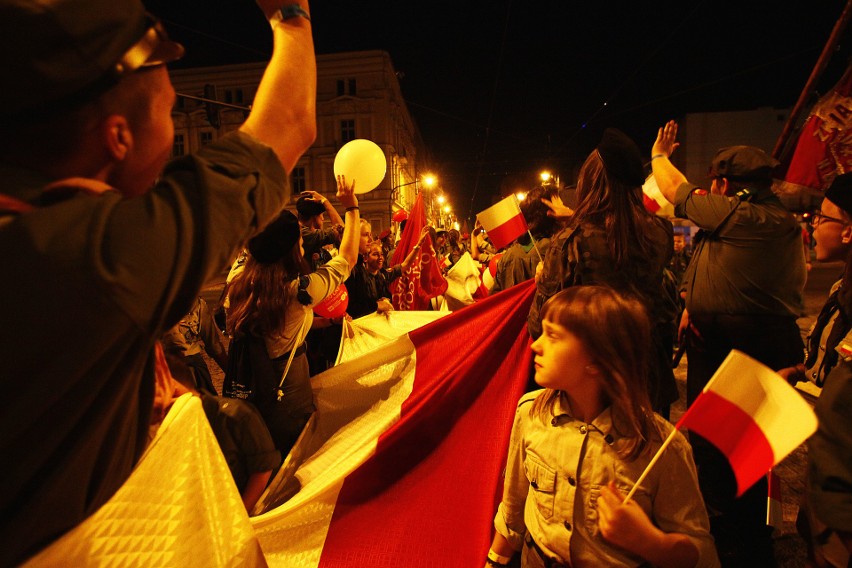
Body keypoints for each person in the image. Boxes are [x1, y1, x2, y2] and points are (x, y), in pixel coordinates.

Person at [0, 0, 315, 564]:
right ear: (118, 137)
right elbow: (288, 124)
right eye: (170, 112)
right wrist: (291, 17)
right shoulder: (98, 258)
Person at [651, 120, 807, 566]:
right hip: (726, 335)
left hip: (739, 343)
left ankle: (735, 538)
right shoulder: (753, 219)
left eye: (715, 183)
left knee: (730, 444)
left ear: (725, 185)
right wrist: (690, 304)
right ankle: (735, 528)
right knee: (723, 439)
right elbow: (718, 266)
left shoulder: (741, 215)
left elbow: (675, 191)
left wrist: (659, 156)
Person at [487, 286, 718, 568]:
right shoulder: (531, 413)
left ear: (598, 359)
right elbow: (513, 507)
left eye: (554, 336)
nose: (535, 344)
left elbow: (700, 553)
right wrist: (495, 561)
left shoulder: (659, 447)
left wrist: (649, 542)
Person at [529, 128, 678, 416]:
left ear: (590, 183)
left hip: (594, 386)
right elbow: (619, 233)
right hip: (649, 377)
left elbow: (539, 324)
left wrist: (543, 279)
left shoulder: (569, 242)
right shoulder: (661, 233)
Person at [224, 176, 360, 456]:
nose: (303, 246)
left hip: (249, 392)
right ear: (289, 251)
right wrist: (351, 207)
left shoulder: (238, 281)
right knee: (293, 458)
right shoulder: (298, 293)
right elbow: (348, 258)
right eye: (299, 242)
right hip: (288, 394)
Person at [166, 354, 280, 513]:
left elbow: (263, 469)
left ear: (174, 390)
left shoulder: (236, 416)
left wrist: (240, 516)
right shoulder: (169, 426)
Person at [346, 223, 430, 317]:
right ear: (365, 258)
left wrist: (418, 245)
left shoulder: (383, 275)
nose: (380, 258)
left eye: (381, 254)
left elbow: (405, 265)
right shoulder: (356, 275)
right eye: (375, 254)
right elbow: (353, 307)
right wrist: (378, 306)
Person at [491, 185, 560, 293]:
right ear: (550, 213)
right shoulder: (557, 249)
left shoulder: (507, 256)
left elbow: (495, 299)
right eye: (560, 206)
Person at [161, 296, 229, 395]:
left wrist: (232, 374)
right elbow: (214, 346)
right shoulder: (153, 305)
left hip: (193, 369)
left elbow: (214, 345)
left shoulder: (196, 305)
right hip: (167, 368)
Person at [296, 189, 343, 271]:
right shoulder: (306, 235)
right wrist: (325, 201)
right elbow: (341, 230)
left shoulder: (298, 232)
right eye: (321, 215)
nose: (323, 218)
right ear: (314, 217)